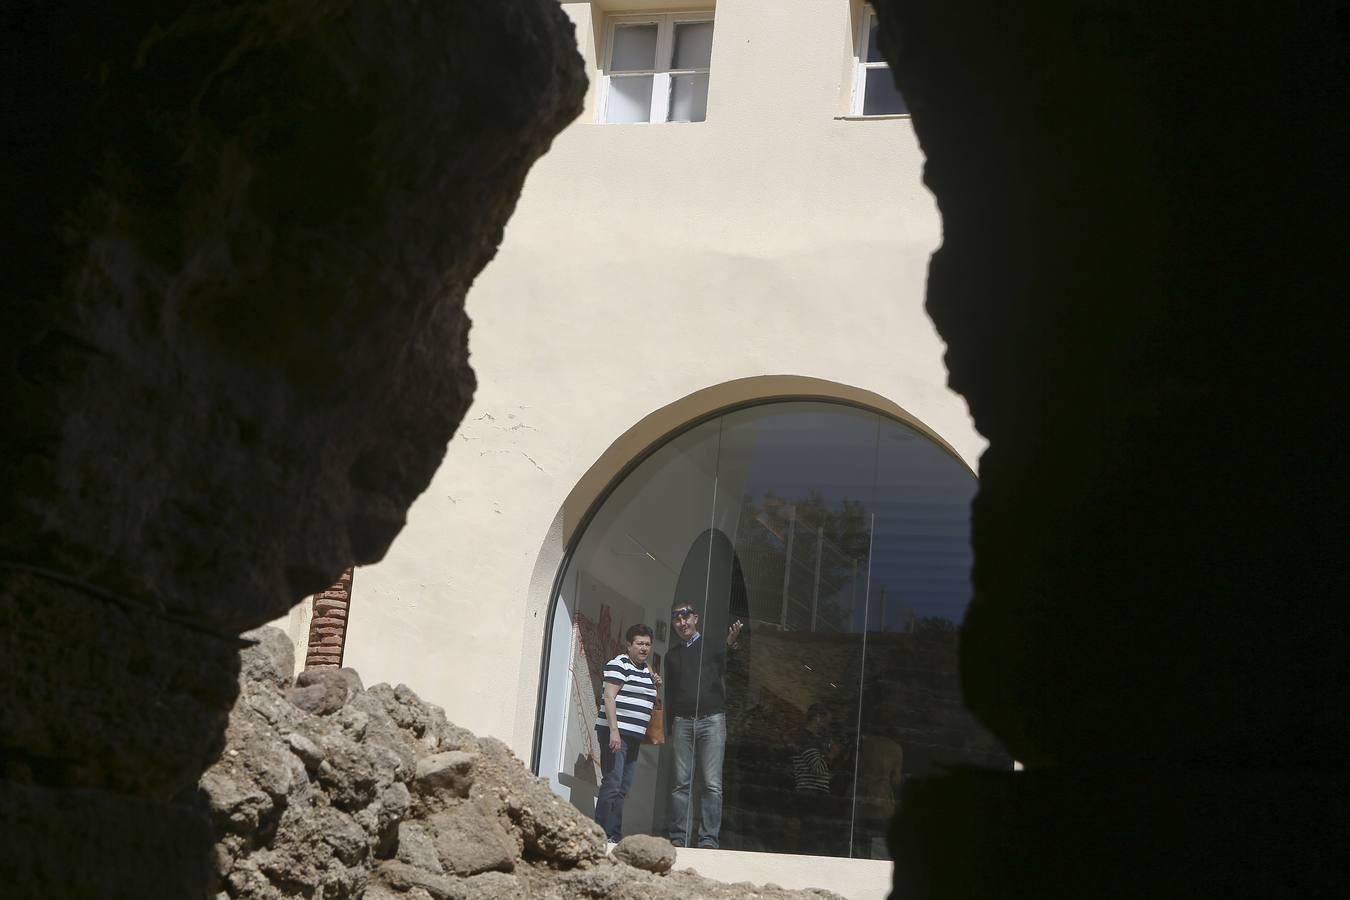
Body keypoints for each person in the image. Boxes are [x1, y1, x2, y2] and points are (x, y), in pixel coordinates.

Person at [665, 600, 742, 848]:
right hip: (683, 724)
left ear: (695, 618)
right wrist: (669, 727)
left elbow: (732, 662)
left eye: (685, 617)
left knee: (711, 783)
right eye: (676, 619)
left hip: (712, 722)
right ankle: (679, 838)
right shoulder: (672, 656)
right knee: (681, 784)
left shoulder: (712, 646)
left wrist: (732, 643)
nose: (681, 623)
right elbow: (669, 694)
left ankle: (708, 839)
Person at [594, 623, 661, 843]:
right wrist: (614, 731)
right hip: (616, 734)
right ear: (629, 645)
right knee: (612, 784)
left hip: (634, 737)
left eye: (648, 644)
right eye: (639, 644)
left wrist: (655, 684)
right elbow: (609, 697)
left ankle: (614, 835)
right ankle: (601, 834)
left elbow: (646, 698)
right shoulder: (619, 664)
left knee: (623, 788)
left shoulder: (646, 669)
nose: (644, 648)